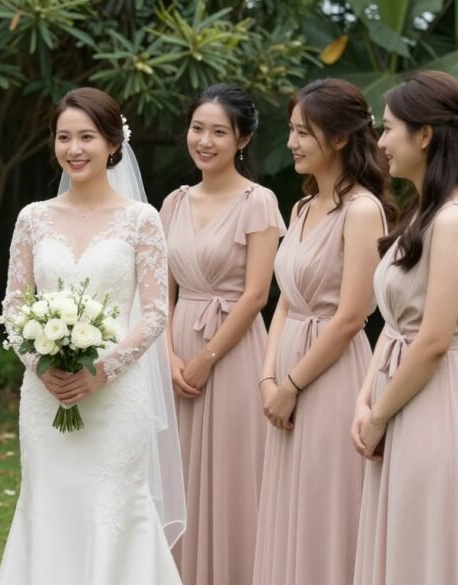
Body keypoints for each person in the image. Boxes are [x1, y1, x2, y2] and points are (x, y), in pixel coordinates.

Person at [0, 87, 185, 585]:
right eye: (64, 137)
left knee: (115, 504)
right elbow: (14, 307)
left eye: (86, 137)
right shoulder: (32, 218)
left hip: (116, 395)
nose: (74, 149)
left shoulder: (142, 220)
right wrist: (40, 367)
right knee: (49, 502)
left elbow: (154, 311)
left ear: (111, 144)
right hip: (45, 394)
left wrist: (103, 371)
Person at [353, 70, 458, 585]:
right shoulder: (425, 213)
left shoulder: (453, 220)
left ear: (425, 135)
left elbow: (435, 340)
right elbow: (396, 326)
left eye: (390, 128)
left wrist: (377, 416)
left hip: (436, 403)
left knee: (426, 550)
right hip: (404, 395)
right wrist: (366, 399)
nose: (380, 143)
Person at [253, 79, 393, 585]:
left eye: (302, 132)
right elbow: (284, 301)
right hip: (287, 368)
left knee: (326, 504)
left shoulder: (362, 210)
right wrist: (268, 380)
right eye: (290, 130)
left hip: (332, 374)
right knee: (290, 502)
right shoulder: (300, 207)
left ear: (338, 138)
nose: (291, 142)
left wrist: (291, 385)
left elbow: (353, 316)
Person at [160, 84, 284, 585]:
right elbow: (157, 293)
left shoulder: (260, 202)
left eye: (218, 132)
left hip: (234, 351)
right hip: (176, 354)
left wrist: (208, 357)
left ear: (243, 139)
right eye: (197, 128)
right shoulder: (172, 203)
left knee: (236, 473)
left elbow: (257, 294)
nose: (204, 141)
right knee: (180, 475)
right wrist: (167, 356)